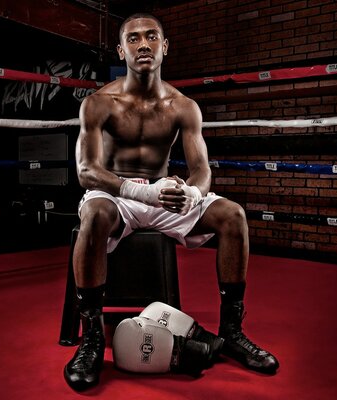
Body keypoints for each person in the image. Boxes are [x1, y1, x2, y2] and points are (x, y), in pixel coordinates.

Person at [64, 13, 279, 392]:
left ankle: (231, 331)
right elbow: (86, 171)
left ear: (165, 47)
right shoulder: (99, 103)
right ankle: (91, 338)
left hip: (164, 196)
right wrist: (140, 191)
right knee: (93, 214)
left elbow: (201, 169)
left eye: (151, 37)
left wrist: (191, 194)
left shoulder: (184, 106)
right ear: (121, 49)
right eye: (133, 39)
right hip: (116, 195)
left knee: (233, 216)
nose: (143, 44)